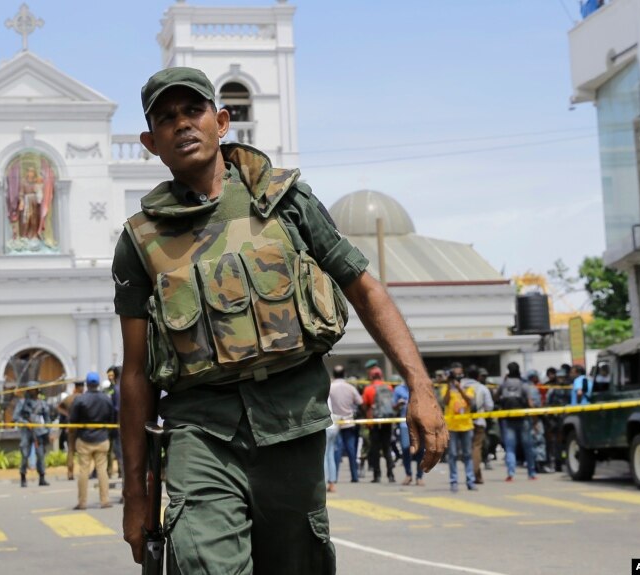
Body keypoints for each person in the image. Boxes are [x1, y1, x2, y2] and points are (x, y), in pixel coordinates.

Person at [114, 67, 449, 571]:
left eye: (193, 111)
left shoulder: (285, 201)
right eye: (166, 118)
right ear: (150, 141)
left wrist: (420, 387)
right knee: (204, 564)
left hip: (292, 427)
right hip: (200, 434)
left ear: (222, 121)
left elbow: (364, 288)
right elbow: (136, 372)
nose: (182, 124)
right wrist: (134, 491)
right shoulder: (140, 239)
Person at [70, 371, 116, 509]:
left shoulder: (80, 399)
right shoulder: (106, 399)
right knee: (102, 470)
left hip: (84, 439)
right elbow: (112, 419)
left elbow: (73, 420)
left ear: (87, 384)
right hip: (102, 438)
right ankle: (105, 500)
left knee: (84, 470)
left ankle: (82, 502)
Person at [493, 362, 536, 481]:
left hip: (508, 419)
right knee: (528, 446)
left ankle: (511, 473)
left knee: (510, 447)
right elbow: (530, 403)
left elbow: (495, 398)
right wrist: (535, 418)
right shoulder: (524, 384)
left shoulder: (504, 384)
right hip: (524, 419)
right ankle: (531, 473)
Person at [441, 363, 476, 492]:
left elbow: (470, 401)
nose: (457, 376)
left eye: (459, 373)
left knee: (467, 454)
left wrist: (460, 388)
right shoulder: (446, 387)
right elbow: (444, 402)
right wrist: (450, 387)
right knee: (453, 455)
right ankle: (453, 481)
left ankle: (470, 480)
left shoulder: (468, 386)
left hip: (466, 424)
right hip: (452, 426)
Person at [328, 365, 363, 485]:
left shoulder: (330, 387)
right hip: (348, 421)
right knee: (351, 450)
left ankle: (334, 477)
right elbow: (360, 401)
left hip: (335, 422)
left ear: (333, 374)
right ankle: (354, 476)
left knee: (336, 450)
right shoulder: (350, 387)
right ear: (344, 374)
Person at [362, 366, 397, 483]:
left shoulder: (368, 389)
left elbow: (364, 405)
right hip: (387, 420)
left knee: (375, 449)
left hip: (374, 421)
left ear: (371, 376)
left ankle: (377, 475)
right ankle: (391, 474)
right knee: (387, 448)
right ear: (381, 375)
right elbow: (392, 403)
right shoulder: (389, 387)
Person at [13, 385, 52, 488]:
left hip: (39, 431)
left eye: (34, 389)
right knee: (25, 454)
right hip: (26, 431)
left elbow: (47, 419)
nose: (32, 391)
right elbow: (16, 417)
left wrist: (48, 431)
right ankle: (23, 477)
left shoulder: (42, 403)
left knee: (40, 455)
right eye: (30, 389)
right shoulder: (22, 403)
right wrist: (26, 423)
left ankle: (42, 477)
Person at [464, 365, 493, 484]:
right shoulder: (482, 388)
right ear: (478, 376)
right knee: (476, 448)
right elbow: (489, 406)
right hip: (478, 422)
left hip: (461, 422)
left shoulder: (460, 386)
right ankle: (474, 475)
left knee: (467, 449)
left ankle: (476, 475)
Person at [393, 376, 424, 486]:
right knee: (406, 448)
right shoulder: (398, 389)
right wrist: (398, 405)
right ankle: (408, 474)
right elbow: (394, 407)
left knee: (420, 450)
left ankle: (419, 476)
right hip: (404, 424)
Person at [58, 380, 85, 480]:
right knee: (83, 449)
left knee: (71, 450)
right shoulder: (84, 398)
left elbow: (59, 407)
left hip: (71, 426)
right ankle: (83, 471)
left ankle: (70, 473)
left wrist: (68, 414)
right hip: (82, 427)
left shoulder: (69, 398)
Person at [106, 365, 124, 479]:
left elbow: (116, 409)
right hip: (124, 424)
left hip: (117, 424)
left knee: (118, 450)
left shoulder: (116, 389)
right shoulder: (123, 387)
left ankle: (121, 471)